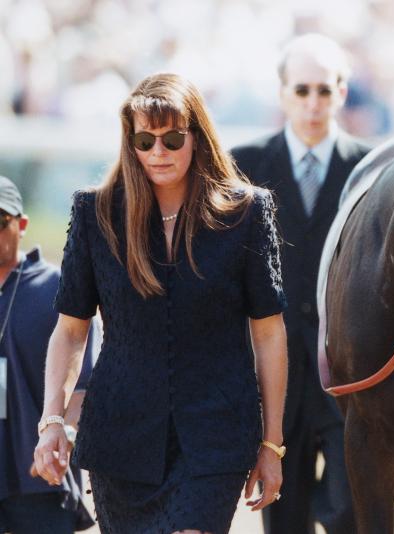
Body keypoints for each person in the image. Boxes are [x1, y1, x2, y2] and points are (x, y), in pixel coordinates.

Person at [32, 72, 288, 534]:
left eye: (172, 138)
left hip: (217, 432)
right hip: (120, 435)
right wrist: (52, 418)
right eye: (144, 141)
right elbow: (71, 329)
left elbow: (268, 332)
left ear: (197, 137)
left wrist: (272, 444)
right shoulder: (95, 214)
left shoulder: (247, 213)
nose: (158, 152)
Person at [231, 33, 370, 534]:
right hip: (272, 381)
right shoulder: (239, 166)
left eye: (325, 90)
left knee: (352, 512)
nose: (314, 103)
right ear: (283, 92)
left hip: (348, 378)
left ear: (343, 92)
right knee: (282, 520)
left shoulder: (373, 170)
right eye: (302, 89)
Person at [0, 176, 99, 533]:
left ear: (21, 224)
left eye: (0, 221)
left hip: (40, 481)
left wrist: (66, 434)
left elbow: (84, 382)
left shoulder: (57, 288)